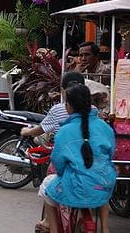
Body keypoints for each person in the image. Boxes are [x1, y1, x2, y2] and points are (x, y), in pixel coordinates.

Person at [38, 84, 116, 233]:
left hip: (76, 187)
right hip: (105, 186)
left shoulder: (65, 131)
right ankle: (104, 229)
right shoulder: (105, 127)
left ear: (69, 106)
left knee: (46, 187)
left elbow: (58, 163)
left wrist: (63, 172)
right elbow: (110, 154)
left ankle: (51, 228)